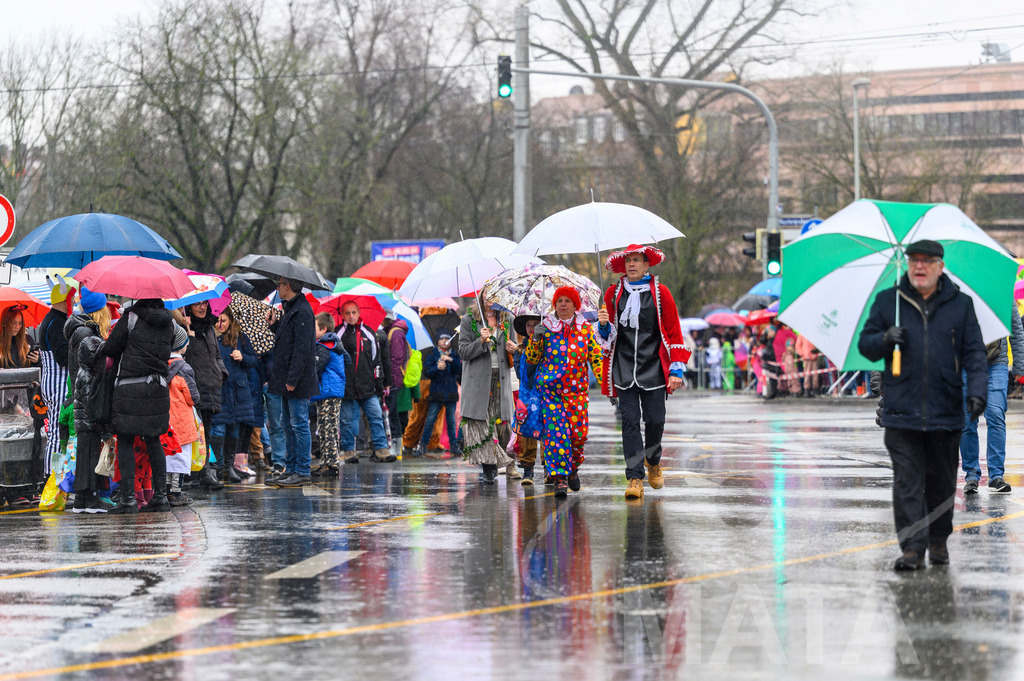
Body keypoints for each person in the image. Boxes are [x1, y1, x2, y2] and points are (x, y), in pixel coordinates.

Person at [859, 239, 987, 571]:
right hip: (900, 411)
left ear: (940, 267)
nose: (919, 266)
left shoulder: (961, 305)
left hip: (946, 412)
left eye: (927, 261)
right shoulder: (888, 301)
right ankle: (912, 548)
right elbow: (866, 346)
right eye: (914, 259)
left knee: (942, 483)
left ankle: (938, 539)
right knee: (907, 482)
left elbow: (974, 353)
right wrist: (884, 339)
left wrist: (977, 392)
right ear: (907, 264)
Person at [597, 244, 689, 501]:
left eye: (636, 260)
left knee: (655, 420)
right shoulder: (613, 293)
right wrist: (603, 325)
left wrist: (676, 369)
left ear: (647, 265)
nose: (632, 264)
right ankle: (635, 477)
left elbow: (673, 331)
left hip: (654, 367)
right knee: (629, 421)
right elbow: (607, 337)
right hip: (624, 367)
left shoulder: (661, 293)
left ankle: (653, 461)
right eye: (628, 260)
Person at [525, 287, 603, 497]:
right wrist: (535, 339)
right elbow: (531, 358)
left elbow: (596, 359)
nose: (563, 304)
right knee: (556, 435)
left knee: (578, 435)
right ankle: (559, 477)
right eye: (559, 301)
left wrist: (608, 385)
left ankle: (573, 468)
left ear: (575, 304)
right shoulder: (546, 327)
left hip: (577, 392)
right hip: (551, 391)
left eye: (567, 301)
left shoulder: (585, 329)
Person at [103, 297, 175, 514]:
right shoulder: (170, 322)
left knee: (125, 438)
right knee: (154, 439)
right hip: (157, 389)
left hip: (129, 388)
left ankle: (128, 498)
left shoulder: (131, 317)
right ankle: (160, 497)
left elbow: (111, 348)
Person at [960, 297, 1024, 495]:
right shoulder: (958, 293)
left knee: (996, 414)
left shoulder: (1001, 293)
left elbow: (1016, 330)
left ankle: (996, 475)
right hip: (966, 363)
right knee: (967, 419)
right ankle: (971, 474)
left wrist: (1020, 366)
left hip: (996, 362)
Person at [265, 277, 318, 486]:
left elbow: (302, 349)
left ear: (288, 286)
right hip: (287, 378)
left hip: (296, 380)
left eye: (280, 284)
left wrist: (293, 378)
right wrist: (275, 325)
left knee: (299, 425)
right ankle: (292, 468)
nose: (277, 288)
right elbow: (287, 339)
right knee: (287, 424)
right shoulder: (291, 308)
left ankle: (302, 471)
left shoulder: (302, 310)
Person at [63, 287, 112, 513]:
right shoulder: (86, 334)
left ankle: (83, 499)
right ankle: (90, 498)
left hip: (82, 396)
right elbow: (92, 368)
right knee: (90, 446)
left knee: (87, 447)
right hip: (88, 397)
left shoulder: (80, 330)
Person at [459, 300, 516, 483]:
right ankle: (488, 465)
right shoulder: (469, 320)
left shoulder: (508, 319)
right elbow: (463, 352)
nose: (490, 298)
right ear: (482, 296)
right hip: (478, 380)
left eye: (494, 294)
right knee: (482, 423)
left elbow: (513, 348)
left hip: (501, 379)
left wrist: (514, 349)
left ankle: (505, 462)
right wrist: (480, 341)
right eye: (487, 294)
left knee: (502, 423)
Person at [336, 300, 391, 463]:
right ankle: (348, 451)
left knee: (376, 416)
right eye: (347, 313)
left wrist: (381, 384)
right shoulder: (337, 334)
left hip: (368, 386)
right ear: (342, 315)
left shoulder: (370, 333)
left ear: (359, 313)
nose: (351, 316)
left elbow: (377, 361)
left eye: (354, 312)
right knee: (346, 420)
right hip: (346, 387)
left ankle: (381, 449)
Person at [212, 307, 262, 483]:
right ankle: (217, 467)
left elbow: (254, 360)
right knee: (218, 427)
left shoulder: (240, 338)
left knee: (234, 427)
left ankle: (228, 466)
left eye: (224, 320)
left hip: (238, 389)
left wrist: (243, 357)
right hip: (220, 389)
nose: (220, 324)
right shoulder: (211, 337)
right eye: (217, 320)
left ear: (231, 320)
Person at [183, 299, 228, 491]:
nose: (202, 307)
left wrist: (221, 373)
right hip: (193, 385)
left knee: (205, 432)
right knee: (191, 431)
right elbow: (183, 356)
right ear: (189, 307)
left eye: (204, 304)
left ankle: (204, 472)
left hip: (211, 385)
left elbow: (217, 355)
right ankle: (190, 474)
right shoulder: (183, 327)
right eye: (197, 304)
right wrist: (188, 335)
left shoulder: (209, 328)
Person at [38, 276, 75, 476]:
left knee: (55, 430)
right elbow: (62, 357)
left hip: (51, 382)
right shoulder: (56, 322)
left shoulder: (50, 319)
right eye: (71, 298)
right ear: (64, 299)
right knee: (57, 432)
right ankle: (53, 476)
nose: (73, 301)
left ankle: (54, 475)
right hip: (58, 383)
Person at [166, 324, 200, 506]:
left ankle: (165, 491)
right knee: (180, 458)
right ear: (181, 345)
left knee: (167, 457)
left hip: (165, 421)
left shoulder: (161, 365)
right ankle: (176, 493)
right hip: (181, 422)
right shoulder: (184, 368)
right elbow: (193, 398)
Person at [312, 312, 347, 476]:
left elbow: (317, 367)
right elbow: (347, 360)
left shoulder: (325, 346)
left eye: (314, 327)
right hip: (331, 390)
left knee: (327, 428)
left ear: (323, 329)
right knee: (327, 427)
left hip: (328, 391)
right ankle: (326, 462)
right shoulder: (335, 344)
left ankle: (331, 464)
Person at [418, 329, 461, 459]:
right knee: (431, 419)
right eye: (441, 339)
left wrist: (451, 360)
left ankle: (454, 445)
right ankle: (423, 445)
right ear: (437, 341)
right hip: (436, 392)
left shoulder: (455, 354)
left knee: (451, 421)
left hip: (451, 392)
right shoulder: (432, 354)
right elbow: (427, 372)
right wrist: (437, 368)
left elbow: (460, 369)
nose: (444, 341)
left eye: (447, 339)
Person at [510, 315, 541, 483]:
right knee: (527, 431)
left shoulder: (549, 346)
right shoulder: (520, 349)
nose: (531, 328)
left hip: (544, 392)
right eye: (528, 325)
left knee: (547, 429)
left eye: (535, 324)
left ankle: (549, 469)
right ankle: (528, 469)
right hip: (527, 395)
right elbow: (519, 372)